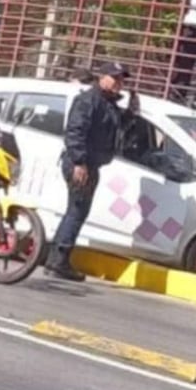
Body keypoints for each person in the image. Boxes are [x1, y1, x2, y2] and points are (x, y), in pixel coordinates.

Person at [44, 62, 138, 281]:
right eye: (115, 78)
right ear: (102, 77)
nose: (119, 84)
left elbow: (115, 128)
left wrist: (131, 111)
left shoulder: (107, 103)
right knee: (77, 211)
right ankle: (58, 261)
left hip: (90, 164)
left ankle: (55, 260)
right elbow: (75, 132)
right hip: (81, 164)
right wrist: (79, 162)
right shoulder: (88, 100)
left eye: (122, 80)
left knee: (76, 211)